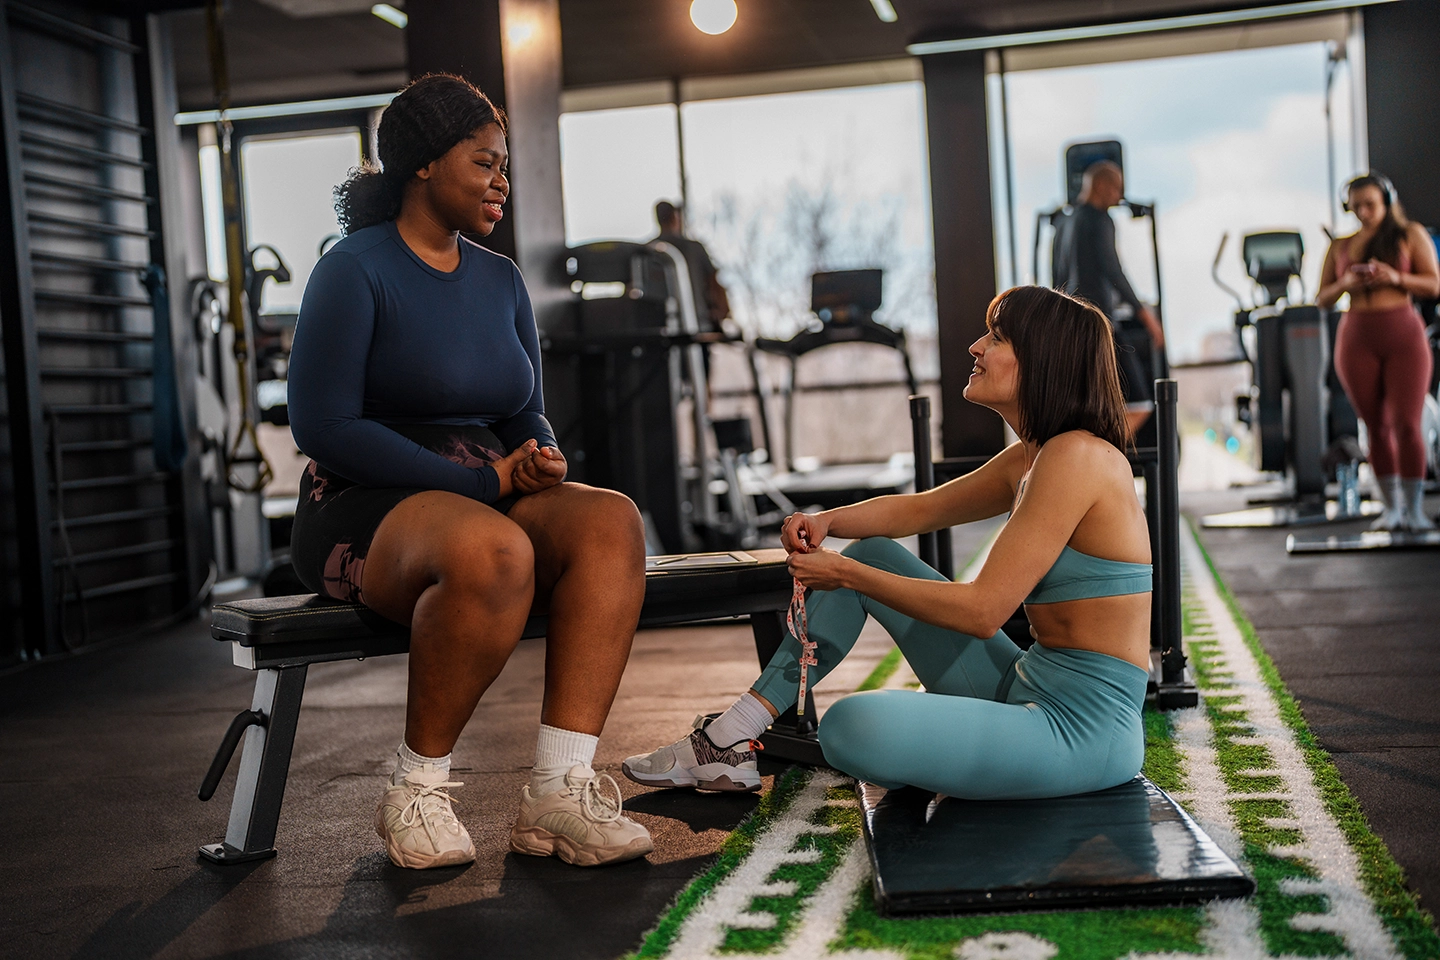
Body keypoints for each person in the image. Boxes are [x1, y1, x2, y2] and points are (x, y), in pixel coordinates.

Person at [287, 74, 652, 870]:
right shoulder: (353, 270)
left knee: (609, 519)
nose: (501, 182)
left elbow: (521, 411)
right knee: (494, 549)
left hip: (484, 490)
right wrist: (483, 486)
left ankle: (559, 792)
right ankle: (415, 789)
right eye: (483, 162)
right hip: (363, 501)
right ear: (422, 164)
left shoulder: (499, 278)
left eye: (505, 167)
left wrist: (542, 453)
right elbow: (323, 425)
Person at [622, 285, 1153, 801]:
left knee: (851, 725)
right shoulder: (1035, 456)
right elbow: (921, 509)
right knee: (873, 550)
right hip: (1026, 683)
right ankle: (731, 736)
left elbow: (983, 611)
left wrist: (844, 575)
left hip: (1082, 730)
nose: (975, 348)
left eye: (996, 338)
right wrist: (829, 520)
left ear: (1043, 360)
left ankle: (944, 747)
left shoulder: (1076, 458)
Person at [1317, 173, 1440, 531]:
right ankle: (1392, 509)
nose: (1364, 212)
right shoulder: (1341, 245)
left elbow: (1433, 284)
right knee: (1375, 427)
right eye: (1356, 207)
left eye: (1370, 204)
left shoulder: (1408, 235)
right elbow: (1321, 298)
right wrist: (1346, 283)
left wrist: (1395, 277)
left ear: (1386, 200)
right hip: (1357, 339)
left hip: (1403, 336)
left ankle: (1415, 510)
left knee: (1407, 424)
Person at [1053, 161, 1166, 433]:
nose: (1119, 197)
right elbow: (1114, 272)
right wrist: (1147, 318)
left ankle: (1095, 459)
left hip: (1072, 328)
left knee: (1088, 408)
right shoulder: (1101, 220)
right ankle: (1105, 462)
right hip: (1100, 322)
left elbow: (1057, 279)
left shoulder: (1064, 223)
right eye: (1116, 188)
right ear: (1101, 186)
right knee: (1140, 403)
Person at [653, 200, 729, 331]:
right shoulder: (694, 248)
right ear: (674, 218)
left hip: (660, 327)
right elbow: (713, 280)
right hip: (698, 323)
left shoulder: (649, 250)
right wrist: (721, 311)